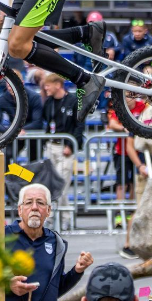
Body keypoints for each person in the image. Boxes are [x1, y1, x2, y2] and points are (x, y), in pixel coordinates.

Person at [6, 184, 93, 300]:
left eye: (40, 203)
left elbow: (55, 289)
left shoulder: (57, 243)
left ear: (48, 210)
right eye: (28, 202)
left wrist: (77, 270)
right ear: (20, 210)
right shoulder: (3, 236)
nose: (34, 207)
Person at [42, 74, 85, 231]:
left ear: (58, 84)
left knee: (60, 185)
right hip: (51, 147)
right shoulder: (49, 102)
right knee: (52, 184)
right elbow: (47, 123)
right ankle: (59, 217)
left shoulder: (74, 101)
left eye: (48, 85)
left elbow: (79, 126)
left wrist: (71, 146)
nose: (45, 88)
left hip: (66, 148)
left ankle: (59, 218)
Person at [0, 69, 44, 162]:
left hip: (32, 133)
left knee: (35, 160)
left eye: (14, 84)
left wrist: (21, 130)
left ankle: (29, 176)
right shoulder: (2, 99)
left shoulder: (34, 97)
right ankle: (18, 174)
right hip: (14, 132)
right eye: (9, 84)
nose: (11, 88)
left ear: (22, 83)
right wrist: (12, 131)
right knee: (7, 156)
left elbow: (38, 122)